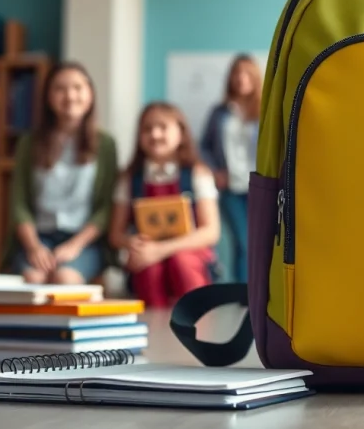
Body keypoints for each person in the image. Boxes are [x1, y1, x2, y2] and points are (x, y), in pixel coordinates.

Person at [7, 61, 119, 285]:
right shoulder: (29, 143)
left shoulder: (105, 144)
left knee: (65, 279)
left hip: (83, 240)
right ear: (48, 97)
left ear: (90, 94)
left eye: (78, 88)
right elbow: (19, 204)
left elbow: (106, 207)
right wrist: (34, 247)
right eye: (60, 88)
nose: (69, 95)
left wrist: (74, 245)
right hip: (39, 237)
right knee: (33, 278)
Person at [109, 101, 221, 308]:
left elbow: (211, 232)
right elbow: (116, 234)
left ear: (180, 133)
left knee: (182, 262)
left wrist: (161, 249)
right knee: (148, 268)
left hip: (189, 256)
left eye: (163, 127)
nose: (155, 134)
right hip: (148, 257)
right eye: (148, 129)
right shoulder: (130, 179)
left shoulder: (198, 174)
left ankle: (195, 328)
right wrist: (131, 243)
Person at [200, 54, 262, 284]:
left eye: (246, 73)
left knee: (260, 242)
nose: (241, 78)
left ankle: (260, 292)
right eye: (236, 73)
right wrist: (215, 171)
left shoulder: (265, 109)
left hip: (259, 186)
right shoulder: (220, 112)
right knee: (242, 240)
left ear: (256, 77)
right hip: (231, 188)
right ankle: (243, 292)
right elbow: (203, 146)